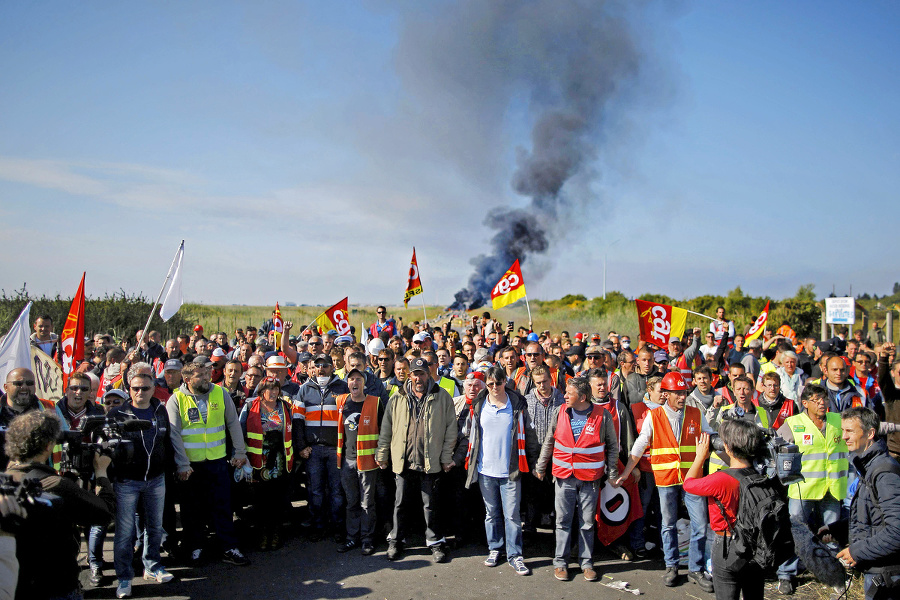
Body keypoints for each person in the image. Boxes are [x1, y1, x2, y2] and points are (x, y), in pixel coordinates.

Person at [617, 372, 715, 592]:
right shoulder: (655, 416)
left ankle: (696, 569)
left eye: (684, 392)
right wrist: (627, 472)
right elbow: (639, 446)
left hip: (692, 478)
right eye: (677, 393)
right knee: (667, 525)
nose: (682, 397)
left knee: (699, 525)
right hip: (666, 479)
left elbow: (711, 437)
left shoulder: (696, 414)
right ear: (666, 394)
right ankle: (671, 565)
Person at [4, 410, 115, 600]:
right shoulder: (54, 485)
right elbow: (104, 513)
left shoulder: (5, 482)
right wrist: (101, 473)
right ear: (48, 446)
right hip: (55, 586)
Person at [166, 361, 250, 566]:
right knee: (191, 510)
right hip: (191, 467)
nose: (206, 378)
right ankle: (195, 547)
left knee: (222, 506)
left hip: (218, 461)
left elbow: (233, 423)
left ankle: (228, 548)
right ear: (187, 380)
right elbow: (174, 434)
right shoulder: (176, 399)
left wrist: (240, 452)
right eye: (200, 375)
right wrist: (182, 464)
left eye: (207, 373)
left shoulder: (220, 393)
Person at [457, 366, 539, 576]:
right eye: (491, 383)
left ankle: (515, 555)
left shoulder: (517, 405)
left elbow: (529, 434)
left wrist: (535, 461)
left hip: (510, 470)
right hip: (485, 470)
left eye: (498, 383)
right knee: (491, 514)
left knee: (511, 515)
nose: (494, 387)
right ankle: (495, 548)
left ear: (505, 382)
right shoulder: (479, 404)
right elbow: (469, 433)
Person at [535, 377, 619, 582]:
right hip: (564, 477)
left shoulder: (603, 415)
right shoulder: (560, 411)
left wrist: (613, 473)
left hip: (590, 479)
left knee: (587, 523)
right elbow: (549, 441)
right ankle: (560, 563)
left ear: (582, 397)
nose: (564, 396)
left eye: (569, 393)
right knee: (563, 521)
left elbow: (612, 446)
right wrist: (541, 465)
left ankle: (587, 563)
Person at [376, 357, 457, 563]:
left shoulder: (443, 397)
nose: (418, 378)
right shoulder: (397, 397)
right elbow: (386, 429)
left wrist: (447, 457)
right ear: (409, 375)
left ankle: (435, 542)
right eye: (415, 374)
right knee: (400, 503)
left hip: (430, 461)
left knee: (431, 505)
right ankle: (397, 541)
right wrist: (382, 454)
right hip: (404, 461)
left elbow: (451, 430)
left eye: (422, 373)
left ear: (428, 374)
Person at [774, 384, 849, 595]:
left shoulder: (838, 420)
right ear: (805, 404)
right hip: (801, 489)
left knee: (831, 534)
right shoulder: (793, 423)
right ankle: (786, 575)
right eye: (816, 400)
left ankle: (835, 576)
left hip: (831, 489)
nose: (822, 403)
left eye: (824, 398)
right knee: (794, 533)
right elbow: (775, 449)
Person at [820, 407, 900, 599]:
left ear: (871, 433)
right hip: (876, 570)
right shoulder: (867, 467)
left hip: (887, 576)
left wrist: (857, 551)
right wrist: (839, 529)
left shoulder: (884, 473)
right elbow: (873, 517)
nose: (844, 437)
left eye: (850, 431)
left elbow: (897, 530)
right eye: (843, 430)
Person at [684, 419, 766, 600]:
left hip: (727, 545)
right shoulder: (762, 475)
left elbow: (689, 484)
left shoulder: (721, 480)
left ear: (728, 448)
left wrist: (700, 457)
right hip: (757, 546)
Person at [108, 372, 173, 598]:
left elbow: (167, 440)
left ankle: (152, 566)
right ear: (129, 389)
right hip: (127, 481)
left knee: (155, 527)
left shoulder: (160, 410)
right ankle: (124, 577)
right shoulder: (117, 413)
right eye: (135, 388)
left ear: (153, 389)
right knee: (125, 533)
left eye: (145, 388)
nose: (140, 392)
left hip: (156, 479)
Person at [240, 376, 301, 551]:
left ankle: (275, 533)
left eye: (276, 388)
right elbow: (240, 429)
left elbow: (292, 432)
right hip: (259, 459)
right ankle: (262, 534)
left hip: (280, 460)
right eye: (269, 389)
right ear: (261, 391)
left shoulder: (285, 407)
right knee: (261, 500)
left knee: (278, 500)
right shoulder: (250, 407)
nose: (273, 392)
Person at [294, 353, 350, 541]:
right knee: (315, 492)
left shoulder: (343, 387)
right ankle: (318, 526)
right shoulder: (304, 389)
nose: (321, 369)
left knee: (337, 492)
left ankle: (338, 528)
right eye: (317, 366)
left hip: (335, 449)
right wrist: (301, 446)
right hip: (313, 450)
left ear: (332, 367)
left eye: (325, 365)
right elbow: (297, 421)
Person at [334, 369, 384, 555]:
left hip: (368, 462)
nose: (355, 382)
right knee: (352, 502)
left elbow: (384, 431)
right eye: (352, 379)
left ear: (364, 383)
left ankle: (367, 539)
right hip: (347, 461)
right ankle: (352, 538)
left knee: (367, 503)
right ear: (347, 383)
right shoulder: (341, 402)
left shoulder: (374, 402)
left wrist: (382, 455)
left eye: (359, 379)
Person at [0, 368, 61, 471]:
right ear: (6, 387)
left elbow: (64, 441)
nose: (24, 387)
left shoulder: (51, 408)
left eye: (29, 383)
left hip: (42, 480)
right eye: (18, 383)